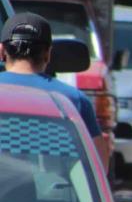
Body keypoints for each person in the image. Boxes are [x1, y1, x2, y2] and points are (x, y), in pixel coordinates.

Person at [0, 12, 110, 169]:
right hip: (55, 192)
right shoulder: (74, 100)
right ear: (48, 53)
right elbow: (99, 166)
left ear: (2, 51)